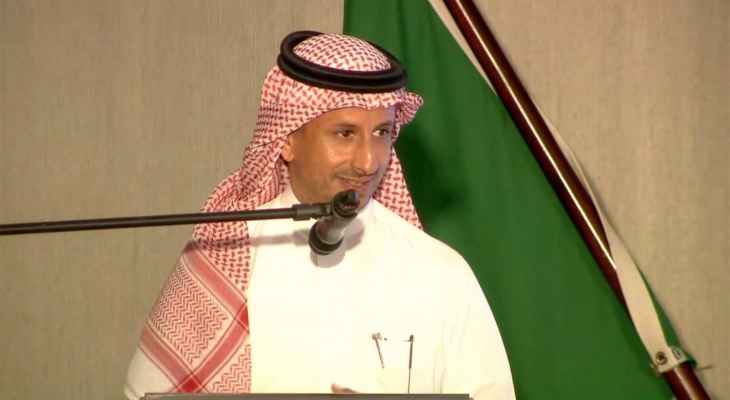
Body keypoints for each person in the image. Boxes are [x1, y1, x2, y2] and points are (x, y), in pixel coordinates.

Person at [125, 31, 515, 400]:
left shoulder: (440, 272)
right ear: (287, 140)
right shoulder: (222, 257)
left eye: (381, 133)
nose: (368, 162)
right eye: (345, 134)